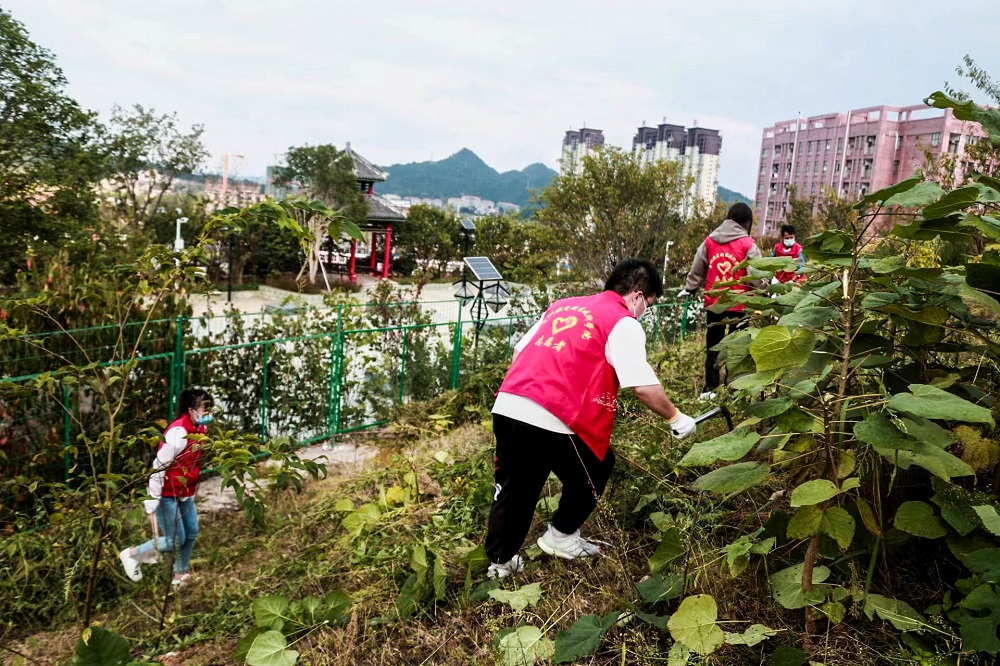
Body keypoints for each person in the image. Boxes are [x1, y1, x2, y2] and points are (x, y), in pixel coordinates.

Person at [484, 259, 697, 579]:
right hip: (553, 414)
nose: (644, 313)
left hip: (509, 404)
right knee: (597, 465)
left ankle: (499, 565)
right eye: (649, 306)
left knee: (516, 489)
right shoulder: (622, 321)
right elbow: (643, 387)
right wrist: (677, 418)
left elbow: (519, 353)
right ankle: (561, 536)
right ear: (638, 296)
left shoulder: (562, 306)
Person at [119, 388, 214, 586]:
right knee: (175, 541)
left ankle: (180, 574)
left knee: (192, 531)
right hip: (166, 494)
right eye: (205, 409)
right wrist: (152, 499)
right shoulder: (178, 432)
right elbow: (159, 465)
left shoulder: (200, 431)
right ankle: (132, 554)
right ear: (191, 410)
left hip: (184, 492)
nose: (208, 413)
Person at [680, 203, 765, 401]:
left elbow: (697, 267)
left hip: (714, 303)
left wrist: (691, 287)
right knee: (737, 348)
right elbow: (756, 274)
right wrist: (763, 291)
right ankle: (734, 387)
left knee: (714, 346)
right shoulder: (747, 244)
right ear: (747, 223)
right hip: (739, 304)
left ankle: (710, 389)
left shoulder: (710, 241)